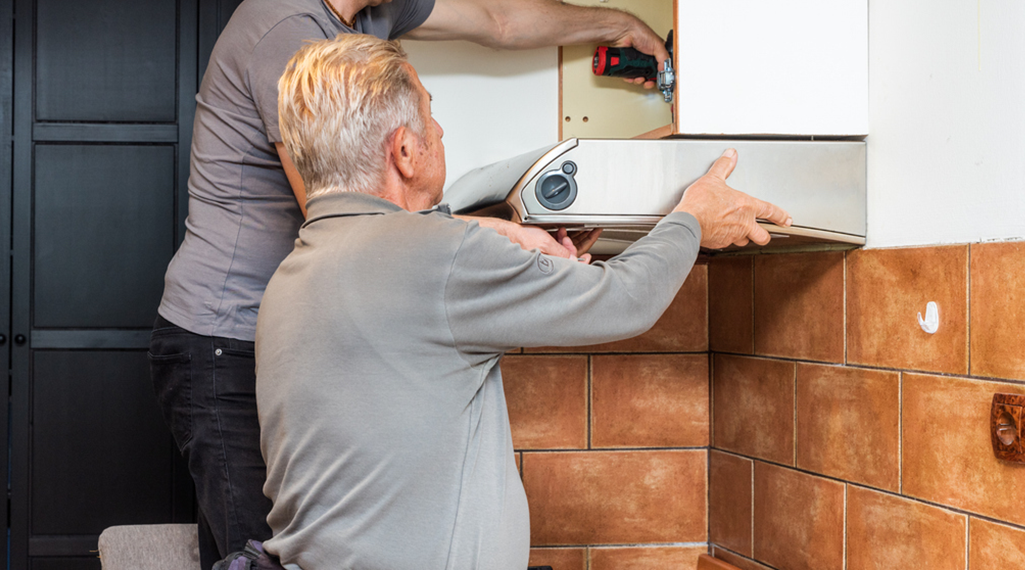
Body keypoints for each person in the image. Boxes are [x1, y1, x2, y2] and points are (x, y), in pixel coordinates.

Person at [149, 0, 672, 568]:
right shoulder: (291, 39)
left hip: (294, 333)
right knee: (265, 557)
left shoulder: (366, 17)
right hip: (223, 343)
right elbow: (343, 222)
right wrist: (508, 238)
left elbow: (497, 21)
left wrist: (613, 22)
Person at [256, 35, 789, 570]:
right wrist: (693, 219)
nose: (439, 130)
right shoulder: (433, 256)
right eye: (430, 115)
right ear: (403, 151)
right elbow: (624, 301)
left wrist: (532, 266)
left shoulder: (292, 277)